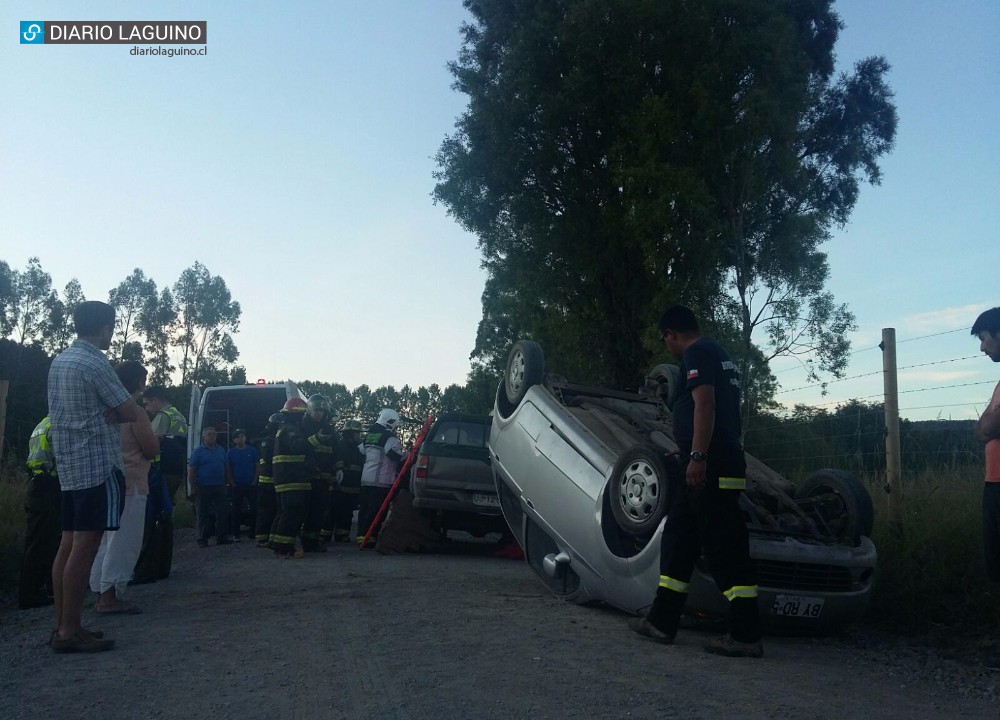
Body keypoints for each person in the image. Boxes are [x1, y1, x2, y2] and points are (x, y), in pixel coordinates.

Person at [629, 305, 762, 658]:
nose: (667, 347)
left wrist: (699, 456)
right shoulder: (718, 353)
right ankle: (661, 621)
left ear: (671, 334)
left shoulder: (697, 352)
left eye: (665, 340)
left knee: (724, 547)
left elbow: (705, 404)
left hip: (712, 466)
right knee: (679, 538)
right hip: (708, 461)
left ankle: (745, 635)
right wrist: (687, 452)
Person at [47, 300, 137, 653]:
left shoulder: (61, 359)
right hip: (96, 465)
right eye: (111, 327)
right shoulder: (95, 362)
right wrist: (111, 409)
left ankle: (62, 625)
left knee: (67, 545)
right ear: (103, 327)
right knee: (85, 548)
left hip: (69, 464)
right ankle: (71, 632)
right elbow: (129, 409)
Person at [89, 361, 158, 614]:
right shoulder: (135, 412)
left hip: (107, 482)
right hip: (133, 482)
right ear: (139, 382)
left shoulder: (103, 408)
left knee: (107, 539)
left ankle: (99, 589)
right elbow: (150, 449)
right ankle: (109, 597)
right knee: (125, 540)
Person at [971, 307, 1000, 668]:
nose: (983, 348)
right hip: (994, 484)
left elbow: (988, 428)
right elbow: (985, 428)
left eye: (984, 338)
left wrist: (989, 423)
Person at [18, 416, 61, 609]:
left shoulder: (42, 424)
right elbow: (62, 457)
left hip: (36, 486)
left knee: (39, 541)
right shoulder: (58, 425)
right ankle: (32, 594)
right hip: (48, 487)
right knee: (43, 542)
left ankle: (38, 589)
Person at [269, 397, 313, 559]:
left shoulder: (285, 428)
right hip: (292, 479)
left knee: (288, 513)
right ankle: (284, 548)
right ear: (295, 415)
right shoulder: (290, 430)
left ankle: (277, 543)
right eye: (302, 415)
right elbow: (298, 447)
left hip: (288, 479)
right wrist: (317, 439)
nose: (303, 418)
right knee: (293, 513)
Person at [358, 409, 404, 547]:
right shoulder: (389, 438)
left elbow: (361, 451)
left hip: (366, 478)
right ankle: (370, 537)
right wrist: (407, 455)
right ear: (391, 422)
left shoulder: (369, 435)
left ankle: (361, 536)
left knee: (365, 509)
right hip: (381, 480)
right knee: (376, 510)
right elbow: (393, 454)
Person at [301, 394, 337, 552]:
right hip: (308, 477)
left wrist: (338, 470)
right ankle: (305, 541)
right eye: (316, 410)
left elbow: (336, 452)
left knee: (320, 510)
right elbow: (301, 448)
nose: (319, 414)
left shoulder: (329, 428)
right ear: (310, 410)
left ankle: (313, 541)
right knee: (306, 510)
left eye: (322, 411)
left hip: (324, 477)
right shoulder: (303, 426)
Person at [188, 427, 234, 547]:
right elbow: (192, 470)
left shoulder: (221, 450)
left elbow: (226, 467)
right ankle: (203, 539)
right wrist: (192, 486)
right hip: (203, 486)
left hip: (219, 485)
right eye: (209, 434)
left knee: (222, 512)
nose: (212, 436)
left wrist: (229, 481)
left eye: (214, 434)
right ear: (204, 436)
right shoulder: (198, 451)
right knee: (202, 513)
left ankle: (221, 537)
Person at [142, 385, 188, 503]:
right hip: (177, 468)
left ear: (155, 400)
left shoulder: (163, 416)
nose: (146, 409)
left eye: (147, 404)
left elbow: (149, 440)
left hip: (160, 468)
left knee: (157, 505)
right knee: (168, 503)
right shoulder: (179, 415)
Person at [329, 419, 365, 543]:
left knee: (347, 512)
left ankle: (342, 535)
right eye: (356, 433)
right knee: (335, 511)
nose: (358, 436)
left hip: (353, 485)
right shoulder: (341, 445)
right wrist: (337, 479)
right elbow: (336, 463)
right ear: (350, 433)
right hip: (341, 486)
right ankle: (325, 536)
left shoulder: (358, 447)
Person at [254, 412, 283, 547]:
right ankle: (261, 538)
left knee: (275, 510)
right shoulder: (267, 440)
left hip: (275, 481)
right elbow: (268, 458)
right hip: (266, 481)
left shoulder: (275, 439)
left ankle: (271, 537)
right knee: (265, 511)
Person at [227, 429, 259, 540]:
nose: (241, 438)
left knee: (254, 509)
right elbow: (228, 468)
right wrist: (231, 482)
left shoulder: (252, 450)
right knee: (236, 510)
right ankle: (236, 534)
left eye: (242, 436)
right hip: (237, 485)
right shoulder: (231, 452)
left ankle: (253, 533)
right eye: (238, 436)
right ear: (234, 439)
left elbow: (257, 466)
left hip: (251, 485)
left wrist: (255, 480)